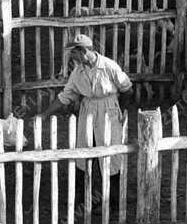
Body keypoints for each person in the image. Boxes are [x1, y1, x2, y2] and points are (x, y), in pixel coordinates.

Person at [39, 33, 133, 177]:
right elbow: (66, 96)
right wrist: (45, 114)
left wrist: (120, 110)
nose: (72, 56)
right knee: (84, 150)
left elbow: (127, 90)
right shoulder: (77, 72)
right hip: (87, 110)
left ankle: (114, 195)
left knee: (111, 150)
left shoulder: (109, 66)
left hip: (109, 109)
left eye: (74, 52)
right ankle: (82, 194)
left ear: (84, 51)